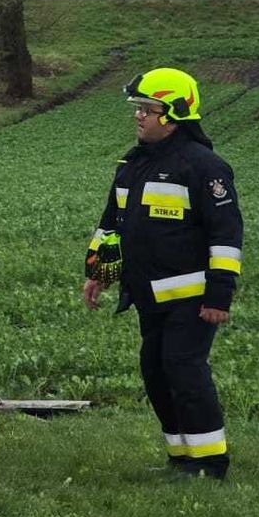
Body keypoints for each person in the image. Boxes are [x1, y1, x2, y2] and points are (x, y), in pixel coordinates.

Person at [83, 67, 243, 479]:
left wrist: (218, 296)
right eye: (137, 108)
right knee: (155, 371)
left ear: (173, 115)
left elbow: (226, 236)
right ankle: (182, 457)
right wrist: (98, 271)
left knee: (184, 370)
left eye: (147, 109)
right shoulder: (133, 164)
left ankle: (211, 462)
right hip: (148, 296)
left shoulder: (205, 168)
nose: (138, 116)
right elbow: (111, 224)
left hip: (192, 299)